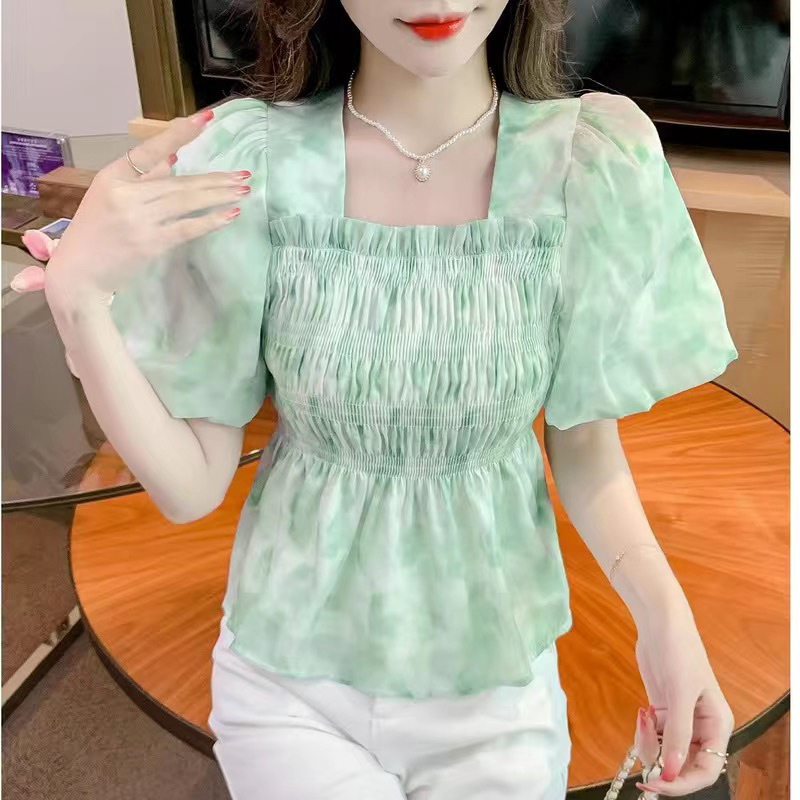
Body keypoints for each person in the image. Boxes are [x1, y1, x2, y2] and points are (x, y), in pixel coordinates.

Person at [22, 0, 738, 797]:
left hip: (495, 679)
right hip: (290, 674)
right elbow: (190, 488)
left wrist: (667, 618)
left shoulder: (590, 161)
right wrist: (78, 303)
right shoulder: (249, 160)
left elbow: (585, 448)